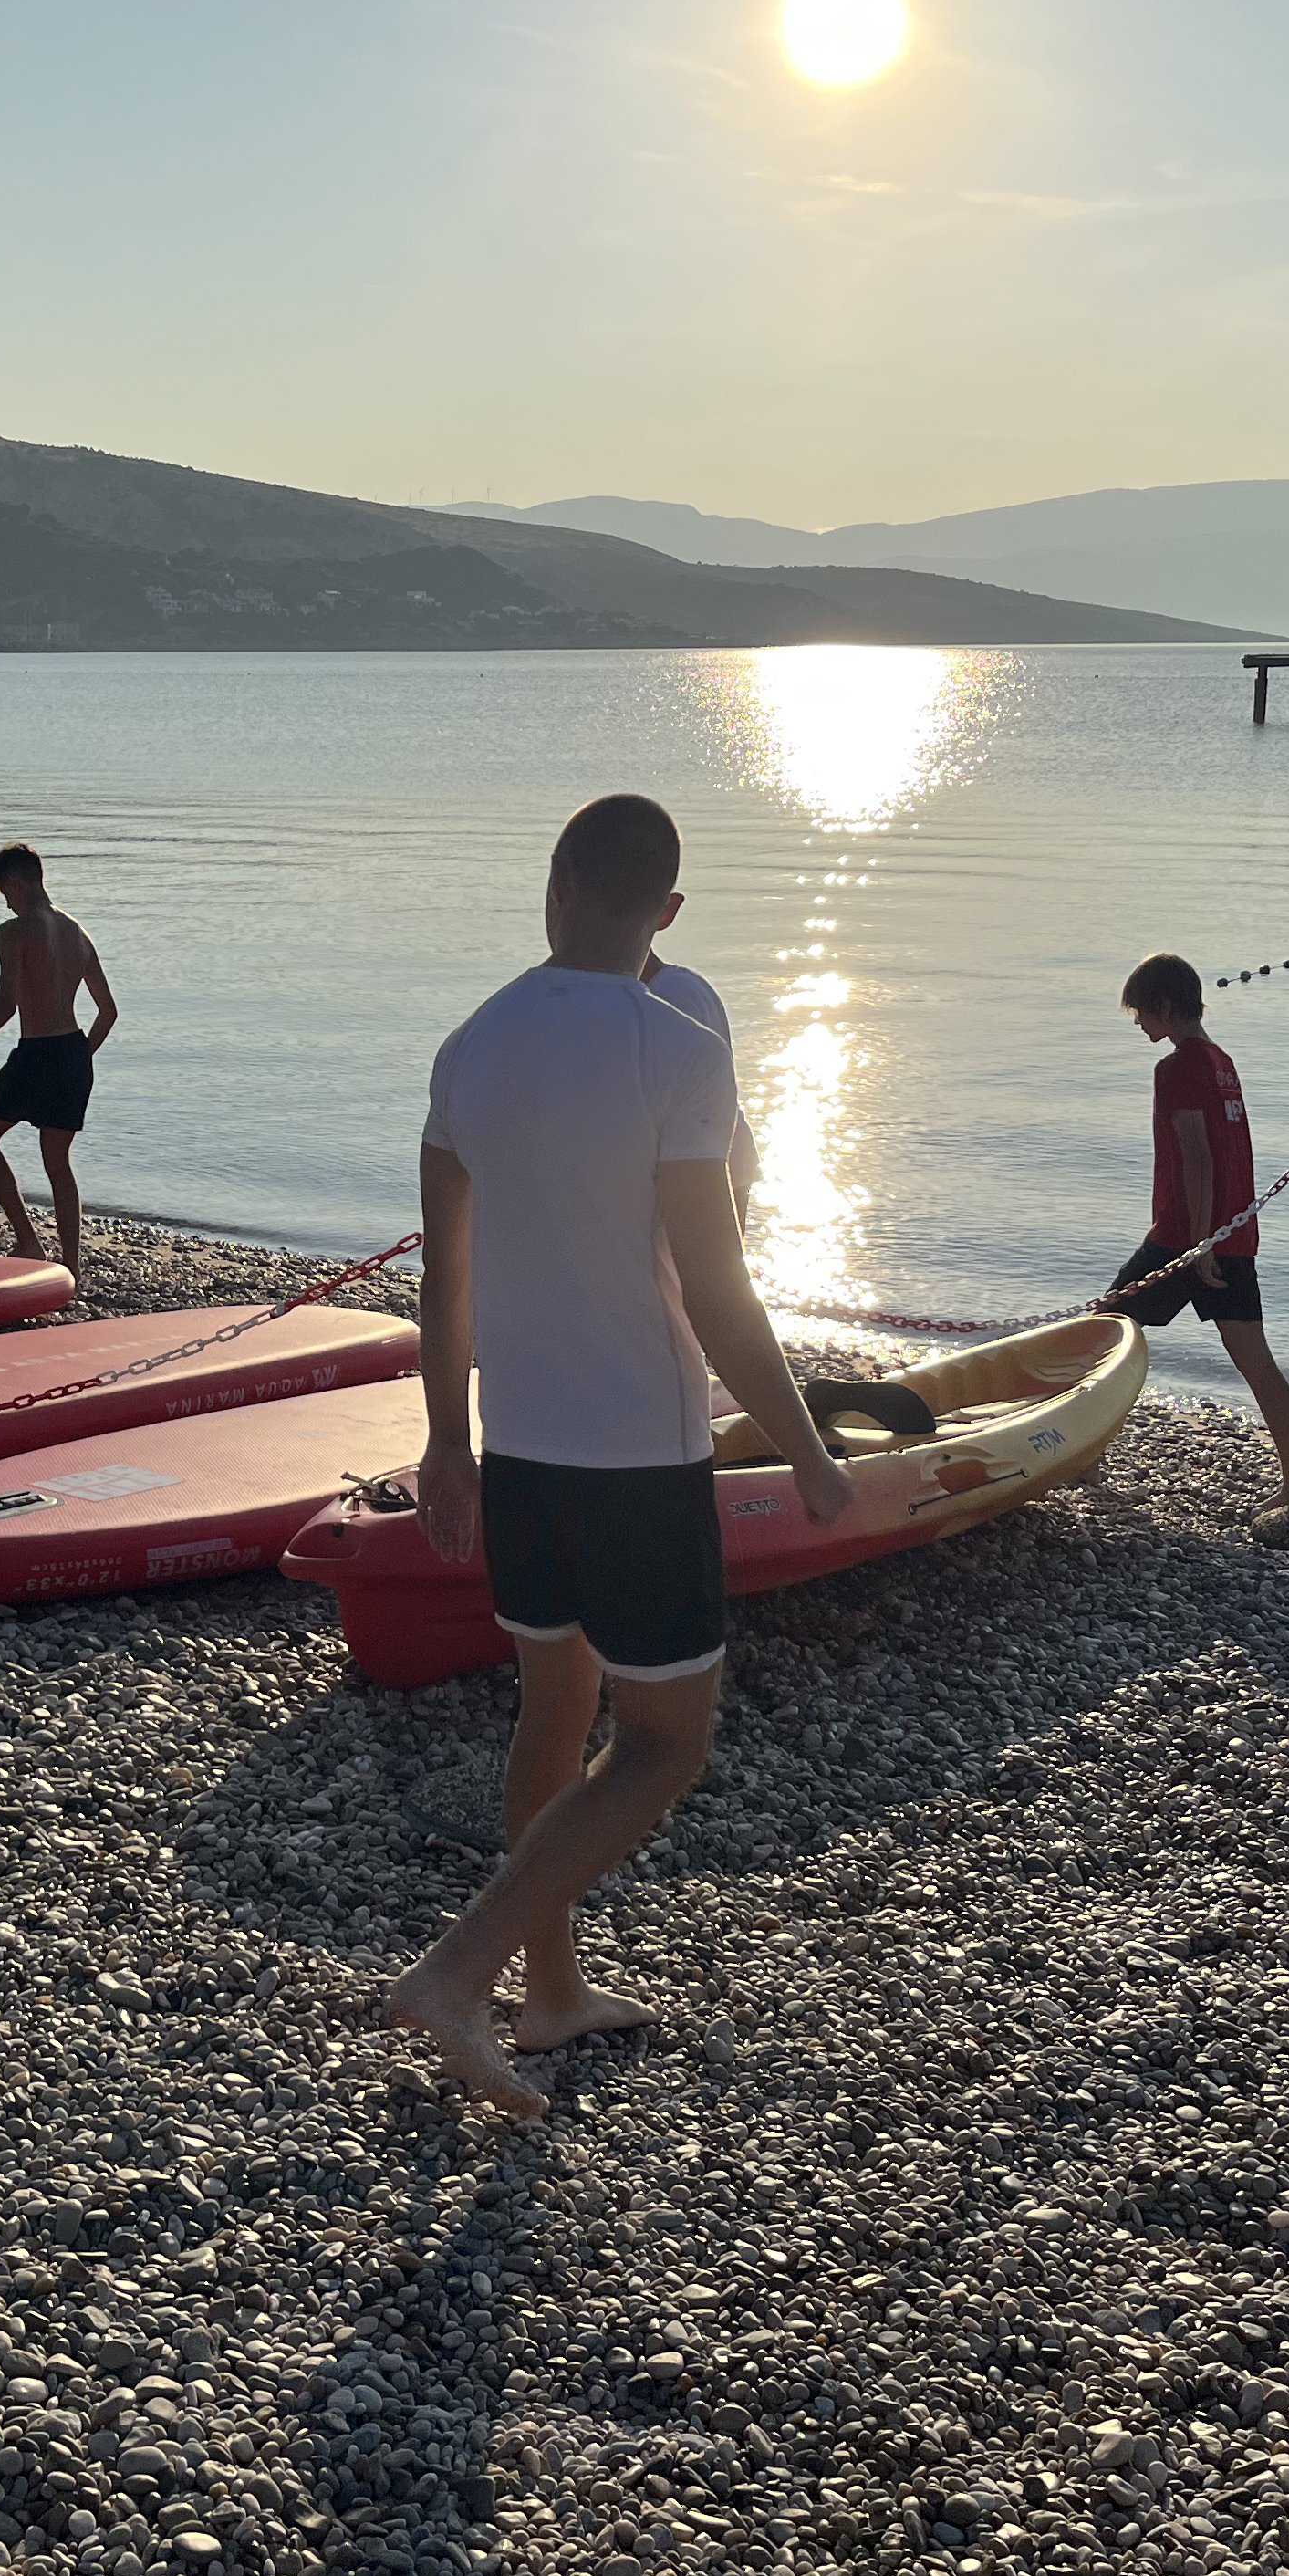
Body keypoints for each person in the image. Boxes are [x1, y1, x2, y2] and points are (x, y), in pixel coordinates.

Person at [384, 794, 854, 2120]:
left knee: (557, 1711)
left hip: (518, 1446)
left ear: (554, 886)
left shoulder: (470, 1046)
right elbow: (716, 1279)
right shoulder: (678, 1044)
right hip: (639, 1458)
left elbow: (446, 1277)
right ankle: (461, 1970)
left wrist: (443, 1443)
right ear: (668, 912)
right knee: (664, 1745)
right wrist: (809, 1449)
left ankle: (551, 1989)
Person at [1112, 952, 1289, 1514]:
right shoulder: (1222, 1061)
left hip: (1183, 1238)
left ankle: (1079, 1458)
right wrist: (1217, 1242)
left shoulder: (1176, 1069)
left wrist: (1198, 1247)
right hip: (1236, 1236)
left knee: (1100, 1333)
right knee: (1257, 1362)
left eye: (1142, 1014)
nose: (1138, 1025)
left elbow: (1198, 1160)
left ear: (1165, 1007)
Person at [0, 842, 119, 1280]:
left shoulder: (14, 931)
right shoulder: (78, 932)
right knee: (58, 1162)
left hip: (36, 1054)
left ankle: (29, 1241)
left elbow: (5, 1006)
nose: (8, 902)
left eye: (5, 893)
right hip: (73, 1053)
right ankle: (70, 1266)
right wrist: (78, 1060)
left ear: (15, 882)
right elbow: (108, 1012)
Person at [639, 926, 759, 1226]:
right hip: (726, 1154)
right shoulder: (685, 983)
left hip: (709, 1162)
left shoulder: (665, 996)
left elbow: (672, 1102)